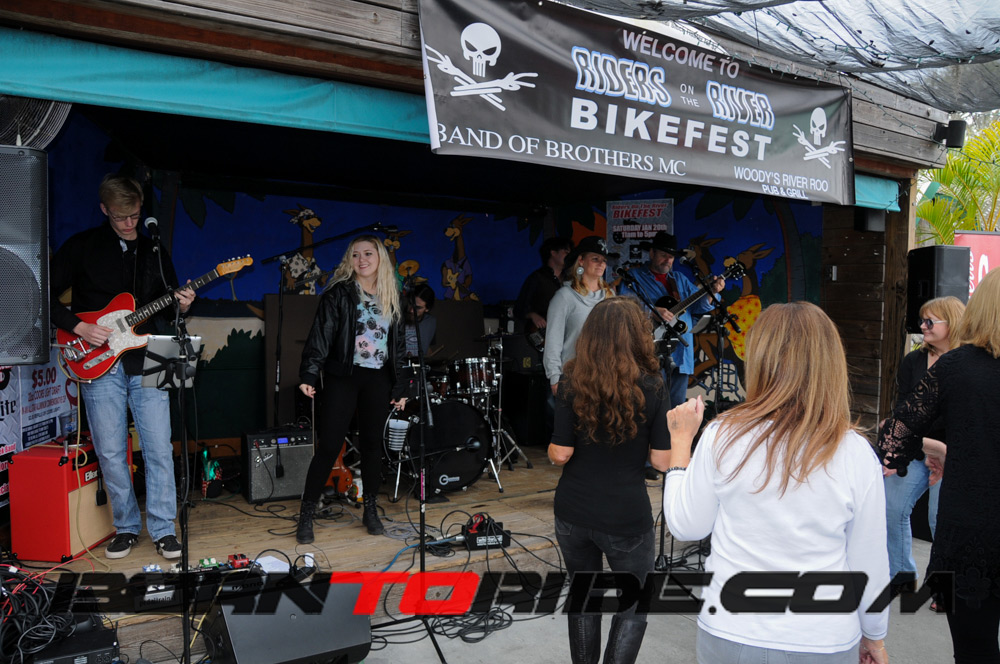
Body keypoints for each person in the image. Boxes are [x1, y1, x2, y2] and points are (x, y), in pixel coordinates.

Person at [665, 302, 890, 664]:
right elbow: (869, 561)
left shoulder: (722, 434)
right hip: (822, 636)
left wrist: (680, 442)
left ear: (760, 360)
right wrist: (874, 636)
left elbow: (687, 525)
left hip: (730, 628)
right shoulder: (855, 452)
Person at [50, 173, 195, 560]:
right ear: (104, 210)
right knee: (112, 452)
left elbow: (169, 309)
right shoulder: (81, 246)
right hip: (97, 360)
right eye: (120, 216)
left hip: (152, 354)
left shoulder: (154, 250)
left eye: (134, 215)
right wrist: (78, 326)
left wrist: (182, 306)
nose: (130, 223)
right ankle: (127, 527)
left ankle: (164, 530)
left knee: (159, 448)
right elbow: (42, 293)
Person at [879, 267, 1000, 664]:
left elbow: (894, 436)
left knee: (975, 650)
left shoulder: (956, 366)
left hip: (973, 530)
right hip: (973, 522)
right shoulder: (940, 363)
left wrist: (948, 453)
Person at [548, 297, 671, 664]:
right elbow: (661, 461)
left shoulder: (572, 379)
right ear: (638, 334)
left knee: (584, 597)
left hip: (573, 510)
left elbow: (559, 454)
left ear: (591, 335)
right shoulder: (653, 384)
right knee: (633, 604)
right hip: (625, 515)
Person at [297, 235, 408, 543]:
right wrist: (309, 373)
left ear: (380, 258)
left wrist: (401, 384)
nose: (362, 259)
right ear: (350, 260)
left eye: (368, 253)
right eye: (356, 254)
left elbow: (398, 346)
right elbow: (321, 334)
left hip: (378, 378)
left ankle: (370, 508)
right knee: (330, 445)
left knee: (372, 444)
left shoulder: (392, 296)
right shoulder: (339, 293)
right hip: (343, 376)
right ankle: (306, 512)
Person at [884, 296, 964, 598]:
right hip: (918, 447)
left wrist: (939, 449)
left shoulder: (966, 363)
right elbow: (904, 408)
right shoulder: (913, 361)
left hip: (953, 452)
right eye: (922, 320)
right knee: (892, 509)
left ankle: (943, 584)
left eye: (930, 321)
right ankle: (900, 575)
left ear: (952, 323)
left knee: (940, 520)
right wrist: (906, 448)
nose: (923, 326)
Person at [620, 231, 724, 408]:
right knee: (650, 407)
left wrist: (712, 292)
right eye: (663, 255)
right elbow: (624, 307)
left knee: (676, 408)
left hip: (681, 353)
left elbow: (698, 306)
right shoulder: (634, 277)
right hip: (650, 352)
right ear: (652, 253)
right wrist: (651, 311)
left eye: (671, 257)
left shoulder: (679, 279)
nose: (668, 260)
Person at [542, 235, 616, 397]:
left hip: (606, 379)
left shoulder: (610, 296)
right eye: (595, 259)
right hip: (574, 379)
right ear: (581, 261)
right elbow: (553, 341)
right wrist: (555, 377)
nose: (601, 264)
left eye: (604, 260)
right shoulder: (564, 297)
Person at [514, 236, 573, 350]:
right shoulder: (537, 278)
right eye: (566, 252)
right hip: (542, 335)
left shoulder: (570, 280)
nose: (569, 256)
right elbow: (519, 308)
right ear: (553, 253)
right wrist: (533, 315)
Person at [403, 282, 437, 359]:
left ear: (427, 309)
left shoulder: (430, 322)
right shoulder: (396, 319)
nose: (411, 310)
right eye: (410, 303)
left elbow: (427, 347)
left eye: (418, 308)